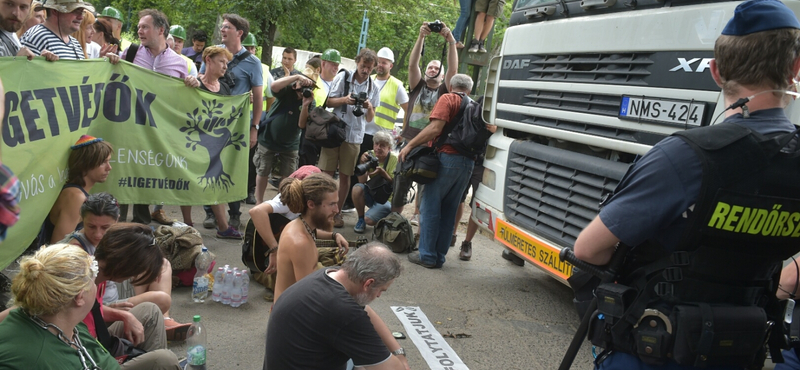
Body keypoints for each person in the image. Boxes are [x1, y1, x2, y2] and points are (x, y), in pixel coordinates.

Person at [571, 1, 800, 369]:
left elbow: (588, 249)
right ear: (795, 68)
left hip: (655, 351)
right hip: (742, 350)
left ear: (716, 71)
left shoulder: (686, 156)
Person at [109, 9, 199, 227]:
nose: (139, 30)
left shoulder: (181, 64)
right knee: (121, 174)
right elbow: (110, 78)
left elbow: (190, 102)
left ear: (160, 30)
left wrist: (194, 85)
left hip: (157, 134)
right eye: (139, 26)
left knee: (144, 178)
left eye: (144, 27)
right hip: (128, 128)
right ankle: (115, 228)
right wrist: (109, 61)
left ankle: (140, 229)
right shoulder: (129, 53)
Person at [60, 192, 190, 340]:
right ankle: (155, 318)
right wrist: (109, 311)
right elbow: (72, 304)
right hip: (99, 305)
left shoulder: (117, 235)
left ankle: (165, 320)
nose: (98, 234)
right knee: (161, 299)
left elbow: (143, 243)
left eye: (105, 227)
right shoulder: (75, 250)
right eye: (91, 226)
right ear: (82, 220)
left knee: (161, 264)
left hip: (110, 290)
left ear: (117, 221)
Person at [264, 242, 407, 370]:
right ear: (368, 283)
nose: (378, 296)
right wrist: (399, 362)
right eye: (381, 290)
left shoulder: (330, 274)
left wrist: (398, 351)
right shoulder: (345, 312)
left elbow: (366, 311)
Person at [0, 244, 123, 369]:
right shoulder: (34, 359)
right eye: (93, 282)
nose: (96, 287)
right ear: (80, 297)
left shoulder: (63, 320)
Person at [399, 74, 476, 269]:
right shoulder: (474, 105)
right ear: (469, 90)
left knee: (431, 208)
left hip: (447, 159)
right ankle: (439, 256)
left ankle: (426, 255)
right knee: (450, 210)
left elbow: (435, 128)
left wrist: (410, 146)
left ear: (451, 85)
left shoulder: (448, 98)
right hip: (467, 163)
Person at [200, 13, 263, 230]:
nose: (223, 30)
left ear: (239, 33)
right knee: (210, 165)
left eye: (227, 27)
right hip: (212, 123)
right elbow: (202, 81)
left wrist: (254, 127)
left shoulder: (253, 63)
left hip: (238, 127)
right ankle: (210, 212)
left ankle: (234, 213)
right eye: (222, 26)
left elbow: (258, 97)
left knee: (236, 168)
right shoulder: (213, 53)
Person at [392, 21, 459, 221]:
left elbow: (453, 71)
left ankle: (418, 217)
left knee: (425, 182)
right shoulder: (417, 86)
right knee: (400, 182)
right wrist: (421, 37)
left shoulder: (444, 90)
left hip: (431, 145)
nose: (431, 69)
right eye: (429, 66)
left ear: (441, 73)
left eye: (436, 67)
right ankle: (394, 220)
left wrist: (451, 42)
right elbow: (413, 64)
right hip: (409, 141)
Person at [321, 48, 380, 229]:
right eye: (363, 66)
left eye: (370, 68)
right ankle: (322, 211)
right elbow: (328, 101)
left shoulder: (373, 87)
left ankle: (336, 213)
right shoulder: (343, 77)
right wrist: (345, 100)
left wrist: (369, 106)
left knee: (346, 176)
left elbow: (370, 119)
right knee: (326, 174)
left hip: (354, 136)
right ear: (357, 62)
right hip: (335, 132)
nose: (366, 70)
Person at [272, 172, 348, 302]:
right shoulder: (301, 243)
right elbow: (310, 296)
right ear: (311, 205)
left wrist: (334, 235)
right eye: (331, 204)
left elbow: (313, 232)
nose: (336, 210)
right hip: (292, 317)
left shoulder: (298, 224)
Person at [195, 45, 242, 238]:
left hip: (216, 144)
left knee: (215, 182)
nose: (225, 67)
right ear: (208, 60)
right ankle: (189, 223)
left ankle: (223, 227)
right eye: (221, 62)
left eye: (227, 63)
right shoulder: (195, 83)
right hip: (196, 141)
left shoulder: (224, 87)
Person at [253, 72, 316, 204]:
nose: (302, 91)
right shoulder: (287, 91)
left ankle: (280, 203)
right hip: (268, 139)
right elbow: (274, 86)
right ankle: (259, 202)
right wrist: (297, 77)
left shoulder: (310, 102)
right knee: (263, 170)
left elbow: (301, 124)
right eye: (301, 87)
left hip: (290, 143)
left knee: (288, 176)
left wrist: (305, 105)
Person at [44, 135, 112, 245]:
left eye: (109, 162)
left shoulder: (77, 193)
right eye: (103, 162)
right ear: (86, 164)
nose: (109, 167)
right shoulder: (76, 197)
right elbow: (58, 247)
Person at [352, 131, 398, 233]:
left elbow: (395, 184)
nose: (378, 148)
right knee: (357, 188)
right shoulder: (370, 155)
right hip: (374, 194)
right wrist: (362, 162)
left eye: (382, 146)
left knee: (369, 220)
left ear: (389, 148)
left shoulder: (394, 159)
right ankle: (360, 219)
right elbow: (362, 181)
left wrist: (383, 173)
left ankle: (386, 216)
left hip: (387, 199)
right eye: (376, 144)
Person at [20, 0, 94, 60]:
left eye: (82, 12)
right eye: (75, 11)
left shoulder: (76, 44)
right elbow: (22, 73)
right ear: (55, 11)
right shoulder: (36, 37)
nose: (81, 17)